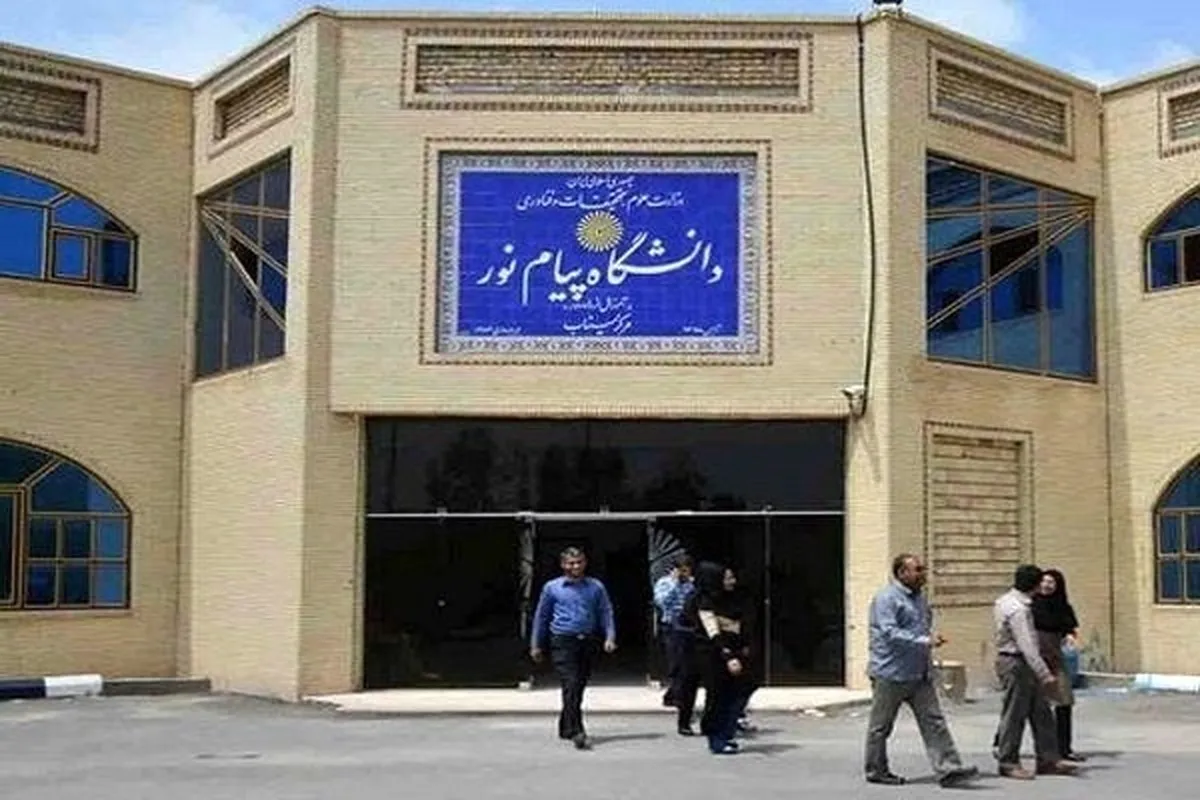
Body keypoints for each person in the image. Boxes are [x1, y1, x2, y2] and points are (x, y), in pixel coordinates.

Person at [863, 553, 978, 788]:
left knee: (934, 722)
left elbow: (923, 627)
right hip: (891, 673)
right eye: (917, 570)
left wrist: (930, 646)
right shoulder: (887, 598)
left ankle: (948, 769)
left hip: (918, 673)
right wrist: (925, 641)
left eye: (922, 569)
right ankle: (876, 770)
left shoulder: (920, 599)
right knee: (880, 727)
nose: (922, 574)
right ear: (902, 573)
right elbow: (889, 632)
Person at [992, 564, 1077, 779]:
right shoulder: (1019, 610)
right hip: (1017, 662)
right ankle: (1008, 761)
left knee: (1042, 712)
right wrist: (1044, 674)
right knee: (1015, 714)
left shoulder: (1006, 601)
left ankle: (1049, 759)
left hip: (1022, 661)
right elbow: (1027, 645)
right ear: (1035, 585)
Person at [529, 546, 616, 750]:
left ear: (585, 563)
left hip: (586, 640)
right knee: (571, 682)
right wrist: (536, 644)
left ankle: (565, 726)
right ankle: (577, 730)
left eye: (579, 562)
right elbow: (542, 617)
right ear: (563, 565)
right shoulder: (552, 588)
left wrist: (610, 636)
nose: (575, 566)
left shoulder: (595, 587)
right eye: (571, 563)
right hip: (562, 640)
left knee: (578, 685)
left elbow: (606, 612)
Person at [683, 561, 751, 755]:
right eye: (727, 578)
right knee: (717, 697)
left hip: (734, 653)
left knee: (735, 695)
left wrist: (743, 646)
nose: (732, 582)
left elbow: (739, 625)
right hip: (711, 655)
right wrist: (728, 656)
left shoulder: (730, 599)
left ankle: (727, 734)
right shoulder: (703, 601)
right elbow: (713, 632)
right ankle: (716, 739)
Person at [1033, 568, 1086, 762]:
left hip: (1056, 658)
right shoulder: (1031, 605)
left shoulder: (1063, 606)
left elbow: (1070, 628)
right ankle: (1002, 743)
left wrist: (1070, 637)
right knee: (1023, 704)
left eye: (1051, 582)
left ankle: (1064, 748)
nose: (1046, 585)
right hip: (1035, 658)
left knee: (1064, 701)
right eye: (1043, 581)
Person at [652, 554, 695, 710]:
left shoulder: (692, 585)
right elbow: (661, 601)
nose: (685, 574)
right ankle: (674, 695)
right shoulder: (664, 583)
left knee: (687, 663)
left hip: (688, 626)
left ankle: (676, 694)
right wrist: (675, 584)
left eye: (687, 571)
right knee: (675, 661)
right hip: (671, 626)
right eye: (682, 571)